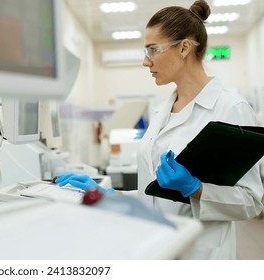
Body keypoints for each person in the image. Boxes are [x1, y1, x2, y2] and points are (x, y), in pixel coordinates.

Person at [55, 0, 263, 259]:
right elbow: (154, 196)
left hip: (201, 256)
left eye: (153, 49)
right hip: (156, 248)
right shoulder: (161, 111)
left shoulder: (231, 108)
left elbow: (252, 201)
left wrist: (196, 189)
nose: (145, 61)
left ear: (184, 48)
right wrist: (109, 195)